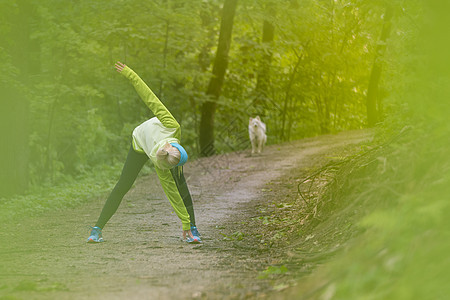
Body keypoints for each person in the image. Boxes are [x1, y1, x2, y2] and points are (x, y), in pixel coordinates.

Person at [87, 61, 201, 244]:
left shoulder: (173, 136)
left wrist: (185, 223)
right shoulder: (165, 148)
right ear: (176, 148)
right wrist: (129, 74)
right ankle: (96, 229)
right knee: (124, 184)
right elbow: (150, 99)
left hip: (157, 142)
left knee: (180, 185)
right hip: (140, 141)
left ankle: (193, 229)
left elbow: (172, 193)